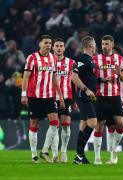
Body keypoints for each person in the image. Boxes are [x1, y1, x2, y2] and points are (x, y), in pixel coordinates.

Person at [21, 35, 65, 163]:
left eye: (50, 43)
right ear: (40, 44)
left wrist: (60, 96)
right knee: (34, 124)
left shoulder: (52, 58)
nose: (48, 45)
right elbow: (25, 77)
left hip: (49, 96)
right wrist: (24, 94)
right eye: (46, 43)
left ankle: (45, 151)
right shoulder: (32, 58)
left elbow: (54, 78)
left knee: (55, 123)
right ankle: (34, 155)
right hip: (34, 96)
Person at [93, 35, 123, 165]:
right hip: (100, 96)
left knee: (121, 125)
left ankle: (113, 153)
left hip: (115, 96)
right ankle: (97, 158)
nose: (104, 46)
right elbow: (90, 78)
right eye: (102, 44)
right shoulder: (95, 59)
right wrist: (101, 80)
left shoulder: (120, 59)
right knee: (99, 126)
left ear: (112, 45)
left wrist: (119, 74)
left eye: (107, 44)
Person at [71, 36, 97, 164]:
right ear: (91, 46)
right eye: (95, 45)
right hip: (84, 96)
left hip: (90, 97)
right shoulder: (82, 59)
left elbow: (89, 77)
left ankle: (79, 156)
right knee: (93, 123)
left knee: (84, 124)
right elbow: (74, 77)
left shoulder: (91, 61)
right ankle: (79, 154)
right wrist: (86, 90)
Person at [50, 38, 75, 163]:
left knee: (66, 125)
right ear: (53, 48)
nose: (59, 48)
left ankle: (63, 151)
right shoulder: (48, 62)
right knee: (55, 126)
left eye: (61, 46)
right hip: (52, 97)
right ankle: (54, 154)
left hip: (67, 97)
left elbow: (75, 82)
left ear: (64, 48)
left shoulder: (71, 63)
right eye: (57, 46)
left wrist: (75, 101)